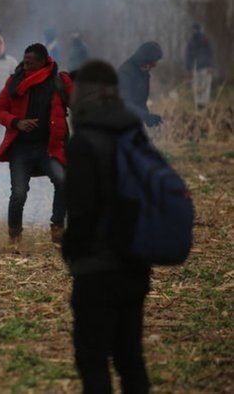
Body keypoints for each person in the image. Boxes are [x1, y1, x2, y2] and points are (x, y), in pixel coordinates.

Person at [62, 60, 151, 393]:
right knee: (131, 359)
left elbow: (82, 211)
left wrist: (72, 251)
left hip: (97, 268)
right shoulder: (133, 130)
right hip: (136, 262)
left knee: (93, 360)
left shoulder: (85, 140)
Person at [0, 43, 73, 245]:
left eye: (31, 63)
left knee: (63, 182)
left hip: (49, 148)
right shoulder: (14, 81)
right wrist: (16, 122)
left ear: (43, 62)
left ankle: (57, 228)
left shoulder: (59, 81)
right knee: (18, 194)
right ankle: (14, 236)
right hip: (21, 148)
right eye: (25, 61)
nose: (26, 66)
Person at [118, 41, 163, 128]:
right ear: (145, 59)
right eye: (153, 62)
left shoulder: (143, 73)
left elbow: (141, 102)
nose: (154, 65)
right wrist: (145, 116)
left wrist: (147, 118)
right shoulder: (125, 73)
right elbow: (124, 102)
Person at [185, 24, 213, 110]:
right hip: (195, 68)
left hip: (204, 67)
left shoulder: (205, 40)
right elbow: (188, 56)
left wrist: (210, 66)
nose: (195, 31)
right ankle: (199, 105)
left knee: (204, 86)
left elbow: (210, 53)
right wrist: (189, 69)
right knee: (197, 87)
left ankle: (203, 105)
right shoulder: (191, 42)